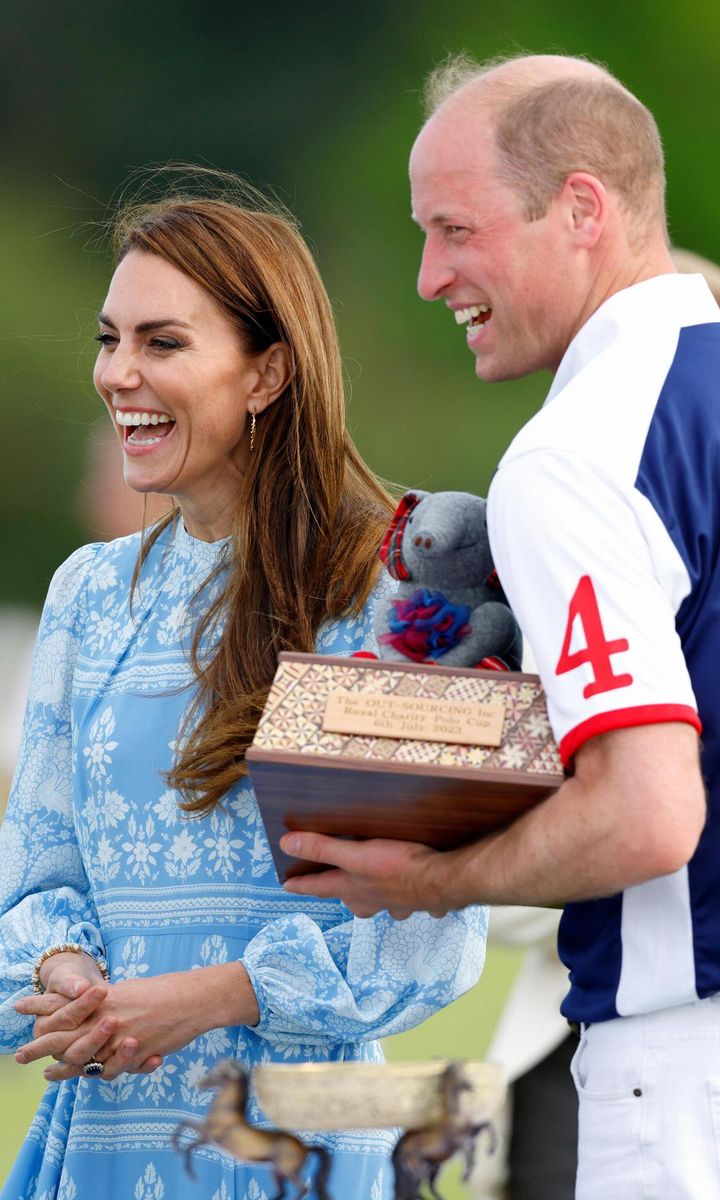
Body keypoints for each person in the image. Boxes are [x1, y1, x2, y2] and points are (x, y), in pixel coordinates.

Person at [281, 54, 720, 1198]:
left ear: (582, 208)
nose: (430, 276)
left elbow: (648, 812)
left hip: (685, 1074)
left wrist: (426, 876)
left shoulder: (575, 453)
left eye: (454, 229)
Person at [0, 184, 488, 1200]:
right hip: (105, 1136)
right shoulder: (87, 593)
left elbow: (430, 926)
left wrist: (214, 994)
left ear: (267, 370)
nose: (117, 375)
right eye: (109, 339)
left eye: (162, 343)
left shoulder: (399, 588)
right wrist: (66, 977)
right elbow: (36, 875)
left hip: (294, 1149)